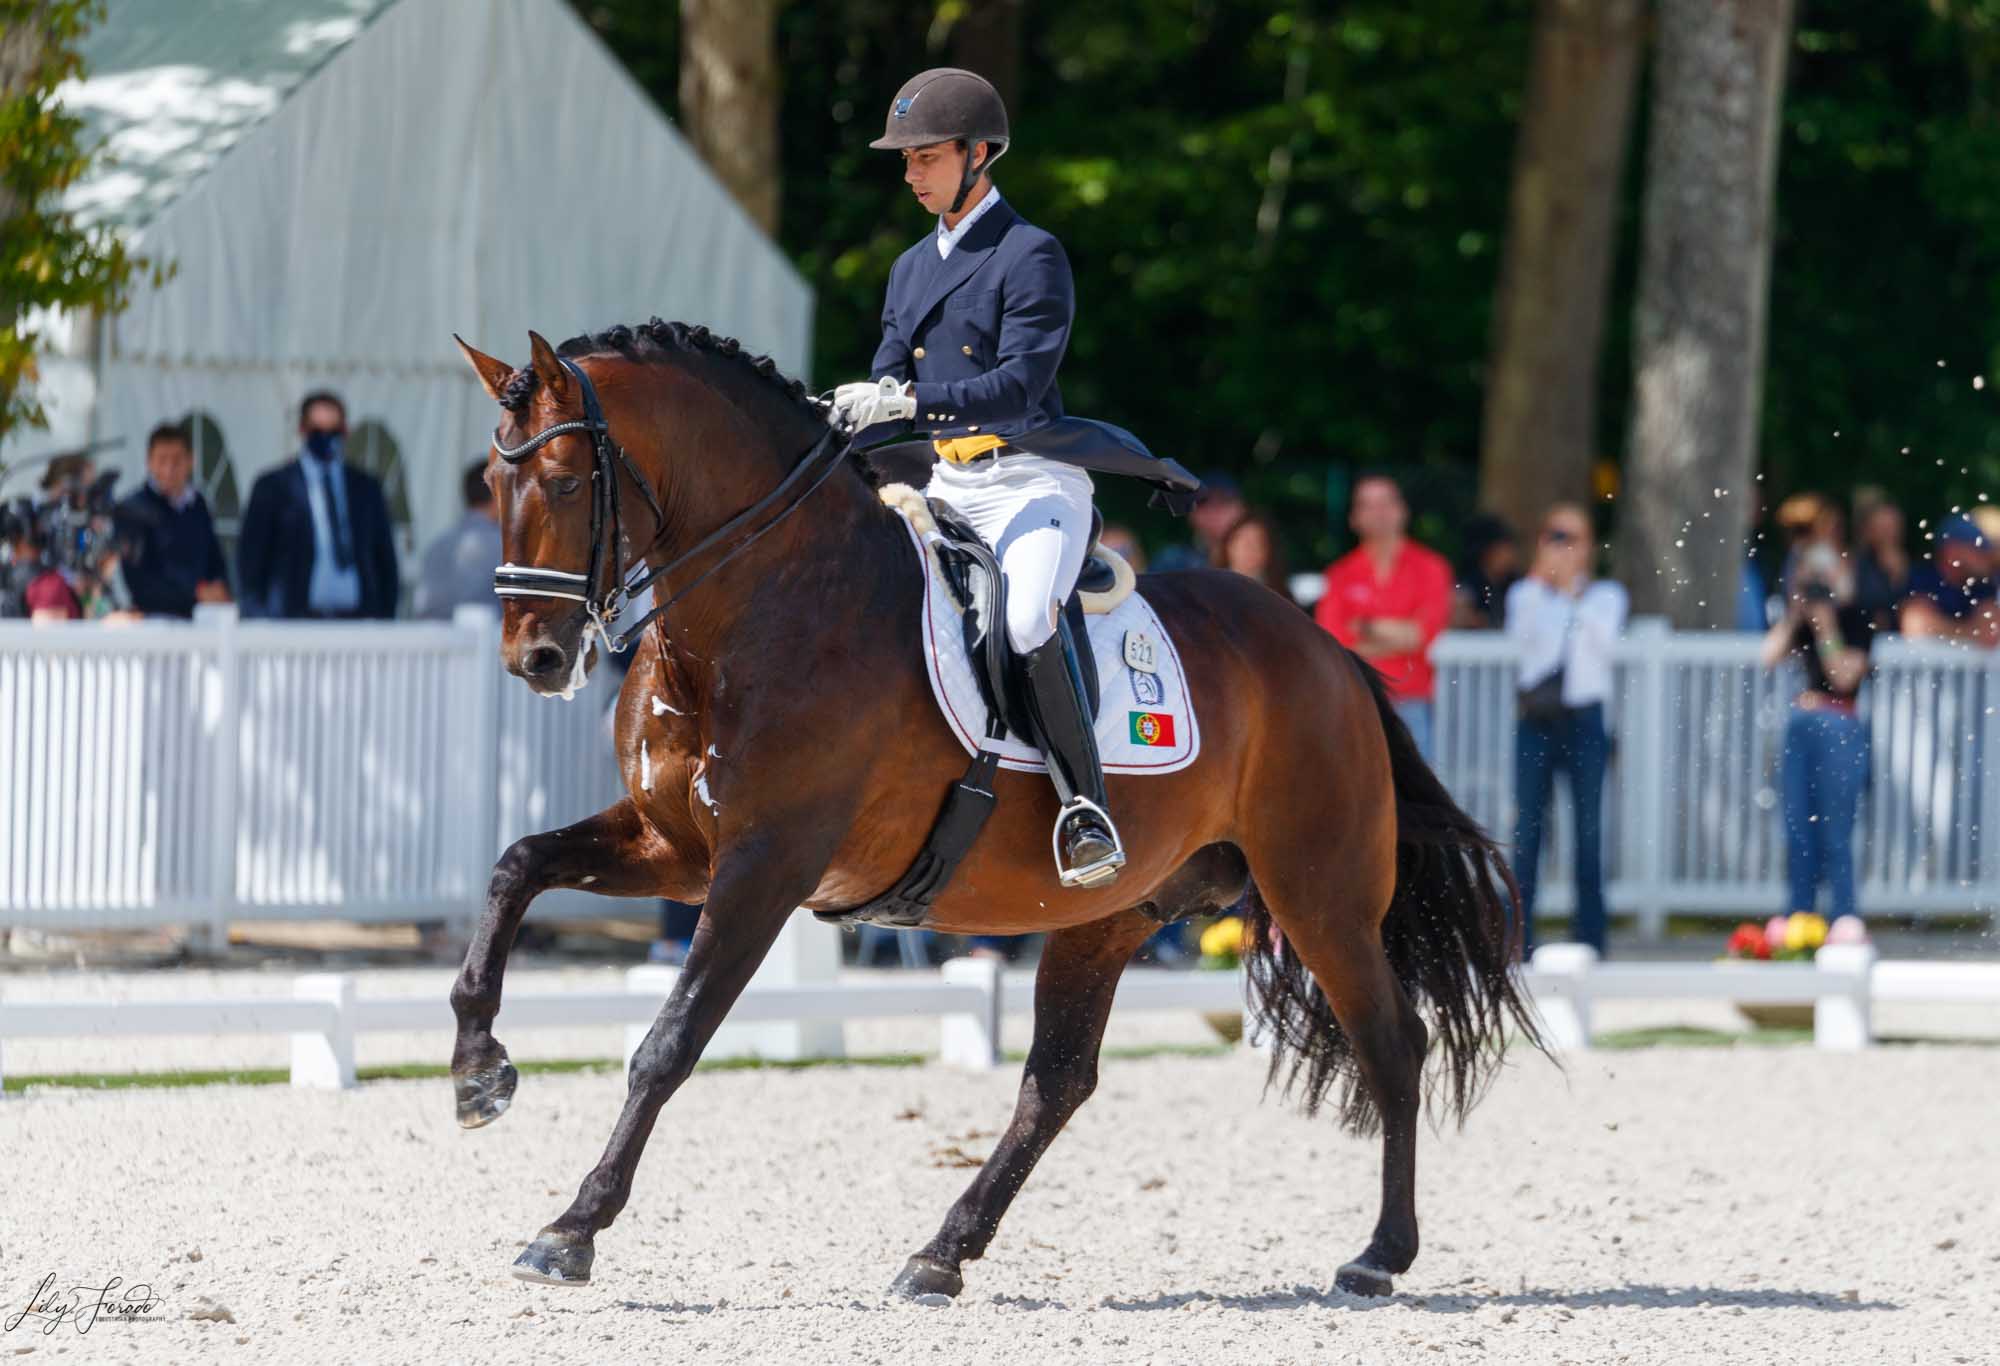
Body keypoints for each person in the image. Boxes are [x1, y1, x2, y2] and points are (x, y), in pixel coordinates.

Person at [825, 66, 1122, 889]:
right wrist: (849, 412)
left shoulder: (1031, 255)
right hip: (946, 488)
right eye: (907, 160)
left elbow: (1018, 388)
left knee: (1026, 619)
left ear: (979, 154)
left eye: (926, 156)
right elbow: (888, 382)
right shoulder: (911, 268)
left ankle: (1083, 807)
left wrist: (907, 397)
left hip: (1030, 481)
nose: (912, 172)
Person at [1505, 502, 1628, 957]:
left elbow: (1604, 644)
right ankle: (1519, 938)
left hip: (1585, 721)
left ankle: (1591, 939)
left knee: (1589, 831)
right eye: (1555, 536)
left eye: (1572, 538)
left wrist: (1572, 592)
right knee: (1527, 830)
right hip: (1536, 722)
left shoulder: (1606, 595)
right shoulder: (1525, 594)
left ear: (1589, 547)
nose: (1563, 548)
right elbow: (1525, 641)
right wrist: (1545, 582)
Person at [1760, 534, 1874, 928]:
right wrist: (1796, 615)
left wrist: (1827, 627)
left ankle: (1843, 920)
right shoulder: (1801, 620)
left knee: (1835, 834)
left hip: (1839, 727)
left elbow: (1843, 676)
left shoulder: (1857, 616)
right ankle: (1799, 922)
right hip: (1800, 727)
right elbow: (1767, 657)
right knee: (1797, 834)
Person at [1314, 474, 1453, 759]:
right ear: (1354, 518)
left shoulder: (1431, 568)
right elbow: (1335, 647)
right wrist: (1398, 635)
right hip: (1357, 701)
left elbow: (1422, 635)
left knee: (1414, 800)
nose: (1379, 512)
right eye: (1369, 504)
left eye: (1386, 502)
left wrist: (1365, 628)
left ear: (1403, 510)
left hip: (1412, 702)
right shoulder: (1339, 575)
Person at [237, 391, 400, 620]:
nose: (326, 438)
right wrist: (258, 617)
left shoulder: (366, 488)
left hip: (358, 621)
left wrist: (385, 615)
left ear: (345, 431)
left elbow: (385, 560)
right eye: (317, 430)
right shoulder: (273, 487)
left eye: (333, 431)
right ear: (302, 430)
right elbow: (251, 561)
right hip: (294, 622)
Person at [114, 422, 231, 618]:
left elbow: (214, 559)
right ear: (149, 462)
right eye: (162, 460)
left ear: (190, 461)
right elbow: (139, 582)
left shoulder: (198, 503)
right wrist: (196, 593)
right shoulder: (131, 509)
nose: (169, 469)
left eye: (177, 460)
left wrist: (219, 586)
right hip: (155, 623)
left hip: (203, 618)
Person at [412, 458, 504, 620]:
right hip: (486, 642)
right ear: (498, 495)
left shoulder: (436, 547)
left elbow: (423, 608)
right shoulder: (505, 549)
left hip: (434, 641)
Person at [1901, 513, 1997, 646]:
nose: (1984, 555)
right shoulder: (1922, 578)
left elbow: (1990, 633)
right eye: (1975, 548)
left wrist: (1941, 628)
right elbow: (1916, 626)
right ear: (1951, 550)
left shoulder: (1983, 585)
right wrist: (1971, 632)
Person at [1153, 473, 1245, 572]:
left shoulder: (1258, 557)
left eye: (1223, 502)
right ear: (1191, 513)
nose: (1213, 511)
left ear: (1241, 509)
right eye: (1203, 502)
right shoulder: (1172, 561)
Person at [1850, 492, 1908, 633]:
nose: (1889, 534)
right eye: (1883, 528)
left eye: (1893, 527)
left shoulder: (1911, 564)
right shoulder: (1857, 565)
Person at [1451, 513, 1519, 629]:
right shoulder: (1466, 587)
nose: (1511, 555)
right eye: (1502, 550)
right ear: (1486, 551)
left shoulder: (1514, 585)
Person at [1211, 508, 1289, 596]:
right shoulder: (1209, 588)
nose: (1249, 548)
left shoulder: (1279, 597)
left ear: (1268, 550)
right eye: (1243, 540)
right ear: (1228, 545)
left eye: (1257, 542)